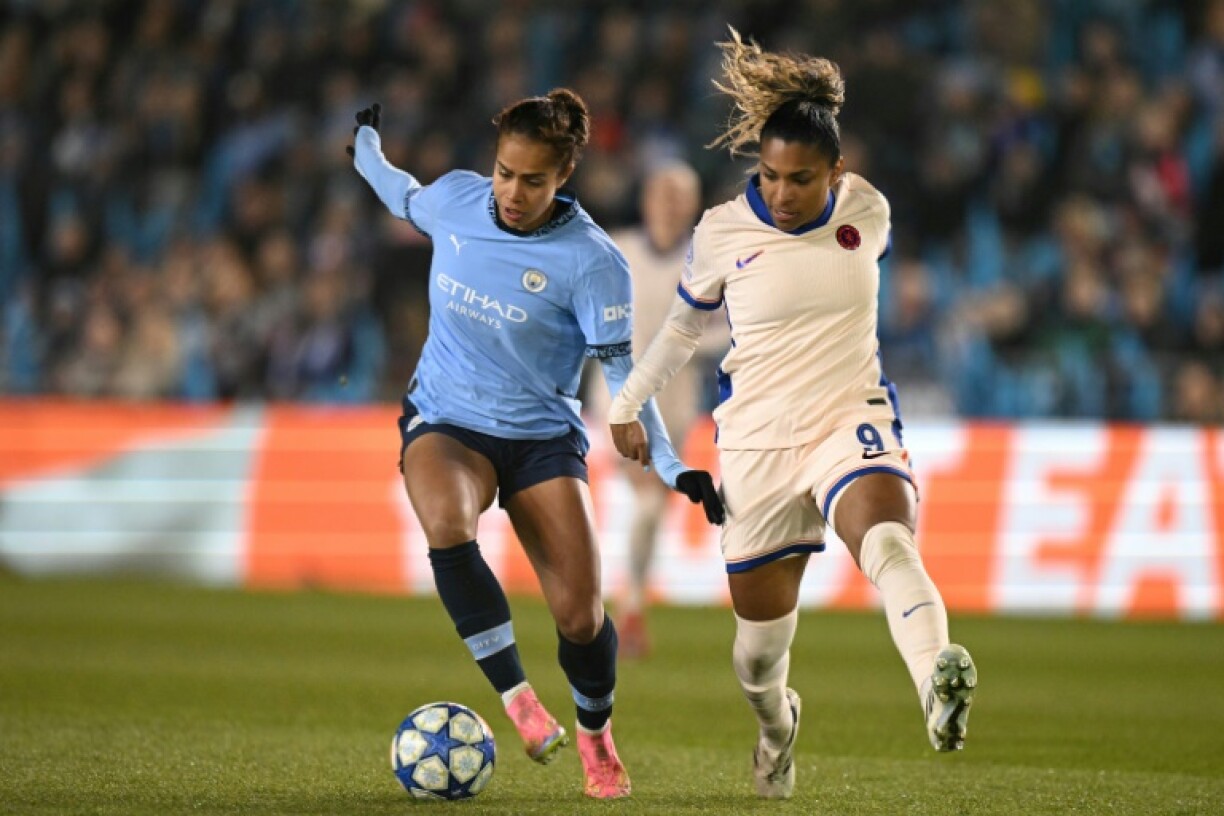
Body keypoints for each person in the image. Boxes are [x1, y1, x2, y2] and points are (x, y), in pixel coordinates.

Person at [607, 31, 978, 799]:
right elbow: (681, 328)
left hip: (850, 416)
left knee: (888, 540)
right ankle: (777, 729)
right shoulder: (719, 232)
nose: (780, 193)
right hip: (757, 444)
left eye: (801, 179)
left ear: (837, 173)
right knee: (755, 660)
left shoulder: (867, 212)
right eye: (769, 176)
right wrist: (626, 400)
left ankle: (936, 683)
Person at [347, 91, 723, 800]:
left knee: (581, 617)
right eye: (503, 172)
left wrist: (674, 468)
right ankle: (518, 699)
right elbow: (401, 193)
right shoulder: (458, 202)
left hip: (541, 438)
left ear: (565, 175)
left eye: (533, 180)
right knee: (448, 526)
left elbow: (627, 381)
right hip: (446, 421)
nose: (512, 193)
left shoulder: (593, 263)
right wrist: (366, 145)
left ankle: (595, 734)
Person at [606, 161, 730, 657]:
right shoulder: (617, 251)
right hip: (620, 400)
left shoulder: (707, 262)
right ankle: (628, 604)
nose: (670, 204)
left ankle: (628, 598)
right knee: (648, 497)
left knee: (653, 507)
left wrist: (683, 345)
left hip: (677, 405)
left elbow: (729, 328)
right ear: (647, 199)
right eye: (663, 193)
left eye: (681, 197)